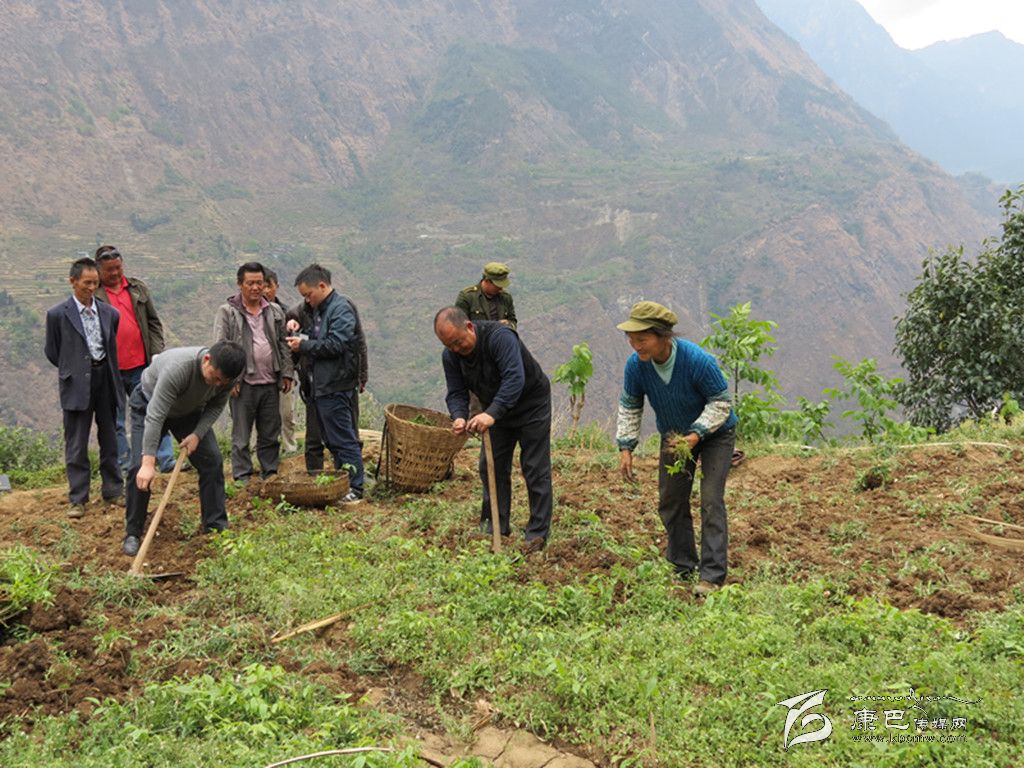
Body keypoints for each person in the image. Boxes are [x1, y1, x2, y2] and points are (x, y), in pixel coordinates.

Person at [615, 301, 737, 596]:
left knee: (711, 500)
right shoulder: (636, 366)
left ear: (663, 336)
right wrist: (626, 446)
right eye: (632, 339)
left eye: (642, 339)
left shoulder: (697, 361)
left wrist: (696, 434)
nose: (636, 346)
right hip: (674, 435)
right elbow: (631, 405)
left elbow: (721, 403)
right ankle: (683, 565)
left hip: (715, 434)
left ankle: (712, 576)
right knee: (671, 499)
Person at [434, 306, 551, 551]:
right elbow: (455, 391)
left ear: (469, 327)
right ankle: (494, 528)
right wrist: (458, 416)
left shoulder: (500, 338)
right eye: (449, 345)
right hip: (495, 412)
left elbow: (514, 379)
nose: (456, 349)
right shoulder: (451, 356)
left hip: (530, 405)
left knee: (534, 467)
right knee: (491, 467)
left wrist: (491, 413)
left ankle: (537, 534)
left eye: (458, 342)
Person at [122, 341, 246, 556]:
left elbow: (216, 406)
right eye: (215, 377)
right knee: (138, 468)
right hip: (149, 405)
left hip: (188, 411)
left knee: (212, 461)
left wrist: (197, 434)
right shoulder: (178, 369)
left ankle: (215, 527)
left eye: (222, 382)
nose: (217, 384)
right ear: (207, 360)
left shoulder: (227, 377)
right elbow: (155, 415)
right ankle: (133, 532)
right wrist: (148, 462)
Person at [44, 257, 124, 518]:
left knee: (110, 436)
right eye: (86, 283)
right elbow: (53, 351)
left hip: (105, 379)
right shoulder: (58, 315)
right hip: (76, 383)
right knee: (77, 441)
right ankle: (78, 498)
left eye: (95, 283)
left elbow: (110, 344)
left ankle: (113, 489)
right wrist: (74, 369)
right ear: (73, 281)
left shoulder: (109, 313)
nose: (91, 288)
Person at [93, 245, 176, 474]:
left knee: (154, 410)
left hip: (141, 365)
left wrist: (156, 353)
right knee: (115, 419)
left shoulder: (137, 288)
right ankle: (125, 463)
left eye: (118, 268)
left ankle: (165, 459)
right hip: (111, 370)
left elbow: (153, 322)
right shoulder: (95, 296)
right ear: (99, 270)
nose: (115, 273)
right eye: (109, 269)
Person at [285, 264, 364, 503]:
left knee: (344, 439)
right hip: (320, 386)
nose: (307, 300)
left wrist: (304, 346)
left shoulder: (341, 309)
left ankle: (355, 487)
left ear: (321, 286)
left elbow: (337, 344)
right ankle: (345, 483)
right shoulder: (319, 310)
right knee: (333, 440)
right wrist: (299, 331)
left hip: (336, 385)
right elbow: (318, 338)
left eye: (308, 295)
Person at [213, 263, 293, 483]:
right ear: (240, 284)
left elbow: (283, 343)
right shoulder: (228, 312)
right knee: (241, 435)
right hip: (243, 384)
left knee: (270, 432)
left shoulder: (274, 311)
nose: (256, 287)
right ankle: (242, 477)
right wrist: (230, 379)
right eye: (250, 283)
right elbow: (221, 346)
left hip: (270, 381)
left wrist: (287, 372)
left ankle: (270, 473)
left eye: (260, 283)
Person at [263, 269, 298, 454]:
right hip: (260, 374)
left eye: (269, 286)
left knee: (287, 413)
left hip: (283, 372)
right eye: (262, 286)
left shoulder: (287, 312)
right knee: (263, 416)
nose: (266, 291)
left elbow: (288, 345)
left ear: (277, 286)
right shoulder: (249, 313)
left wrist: (288, 373)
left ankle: (290, 449)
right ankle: (262, 451)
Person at [455, 262, 517, 330]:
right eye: (497, 285)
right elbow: (459, 325)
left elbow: (513, 320)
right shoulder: (467, 297)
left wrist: (508, 324)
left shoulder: (506, 298)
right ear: (487, 281)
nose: (501, 289)